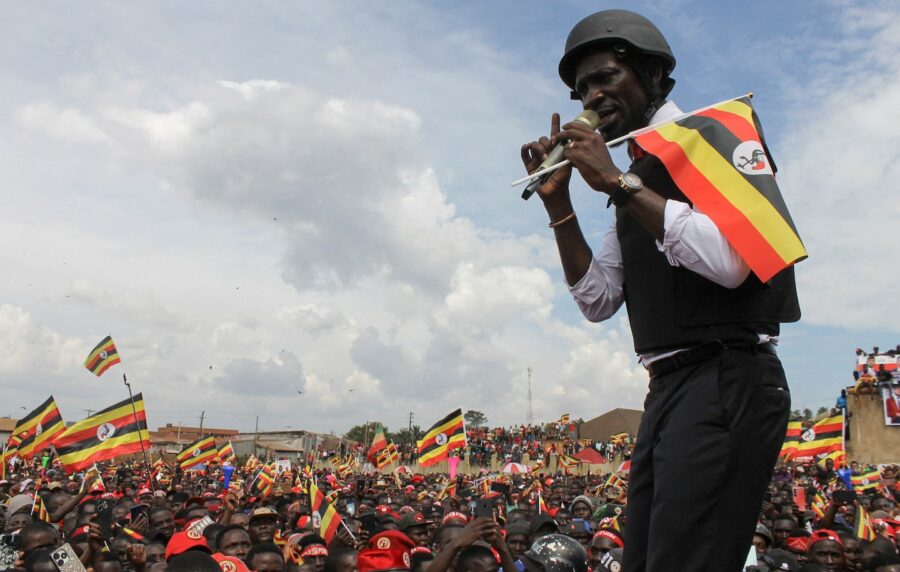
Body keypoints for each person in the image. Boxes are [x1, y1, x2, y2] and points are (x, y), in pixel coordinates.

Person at [520, 8, 800, 571]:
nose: (592, 98)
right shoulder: (636, 175)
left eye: (606, 78)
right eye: (583, 89)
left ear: (653, 75)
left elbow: (732, 263)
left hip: (727, 377)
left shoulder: (712, 134)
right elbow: (598, 300)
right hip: (669, 389)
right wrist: (560, 206)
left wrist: (616, 182)